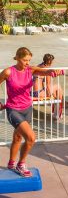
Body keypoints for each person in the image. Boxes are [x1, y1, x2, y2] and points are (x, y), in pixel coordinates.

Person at [0, 47, 62, 177]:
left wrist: (53, 71)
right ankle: (20, 164)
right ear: (17, 57)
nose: (27, 63)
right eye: (24, 60)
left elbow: (46, 72)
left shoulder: (31, 70)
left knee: (18, 137)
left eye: (29, 60)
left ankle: (11, 162)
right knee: (31, 138)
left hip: (27, 108)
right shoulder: (8, 72)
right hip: (13, 109)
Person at [32, 53, 63, 119]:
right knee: (58, 87)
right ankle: (58, 113)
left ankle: (55, 110)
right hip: (39, 94)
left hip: (33, 93)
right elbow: (48, 84)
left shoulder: (39, 66)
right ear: (50, 61)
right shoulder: (46, 69)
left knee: (54, 91)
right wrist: (50, 96)